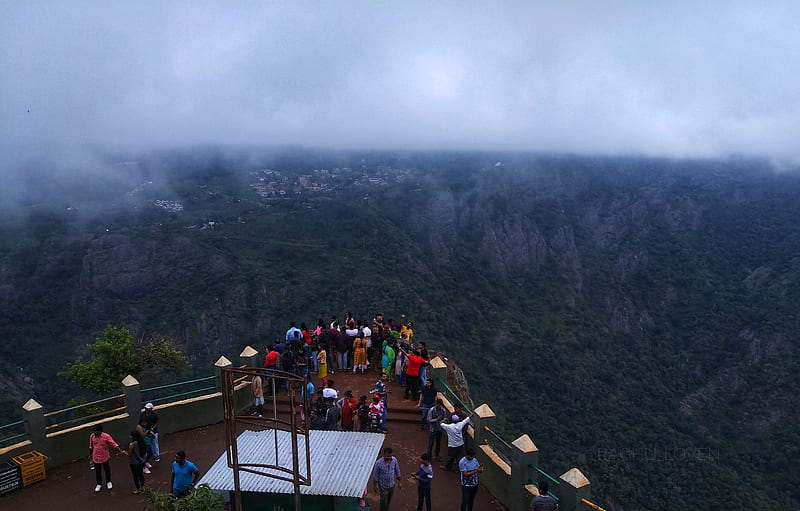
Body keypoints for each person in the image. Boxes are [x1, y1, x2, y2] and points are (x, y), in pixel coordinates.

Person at [88, 424, 125, 492]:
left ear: (101, 431)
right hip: (96, 456)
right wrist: (90, 455)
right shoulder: (92, 436)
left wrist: (121, 451)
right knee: (97, 471)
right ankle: (99, 484)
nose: (95, 432)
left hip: (105, 456)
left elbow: (114, 444)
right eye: (94, 431)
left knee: (106, 469)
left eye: (97, 431)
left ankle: (108, 481)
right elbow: (90, 446)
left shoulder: (106, 436)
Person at [372, 447, 402, 511]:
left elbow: (397, 471)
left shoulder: (394, 460)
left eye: (390, 456)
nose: (389, 458)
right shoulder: (378, 463)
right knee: (383, 503)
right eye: (387, 456)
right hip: (383, 486)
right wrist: (375, 485)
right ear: (384, 454)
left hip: (391, 485)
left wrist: (399, 482)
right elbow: (375, 475)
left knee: (388, 501)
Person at [127, 429, 147, 494]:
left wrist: (125, 452)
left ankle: (137, 489)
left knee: (135, 476)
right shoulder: (141, 442)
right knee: (141, 474)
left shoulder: (131, 444)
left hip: (133, 462)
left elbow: (129, 454)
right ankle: (143, 487)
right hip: (140, 461)